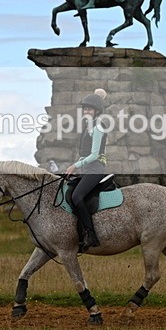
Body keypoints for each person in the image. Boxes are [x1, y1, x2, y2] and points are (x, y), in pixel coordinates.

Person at [65, 88, 108, 251]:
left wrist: (75, 165)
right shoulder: (88, 126)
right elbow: (84, 156)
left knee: (77, 196)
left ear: (96, 111)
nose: (85, 111)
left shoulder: (97, 127)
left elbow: (95, 155)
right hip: (87, 168)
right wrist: (73, 167)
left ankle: (91, 235)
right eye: (85, 108)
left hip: (95, 169)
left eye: (89, 108)